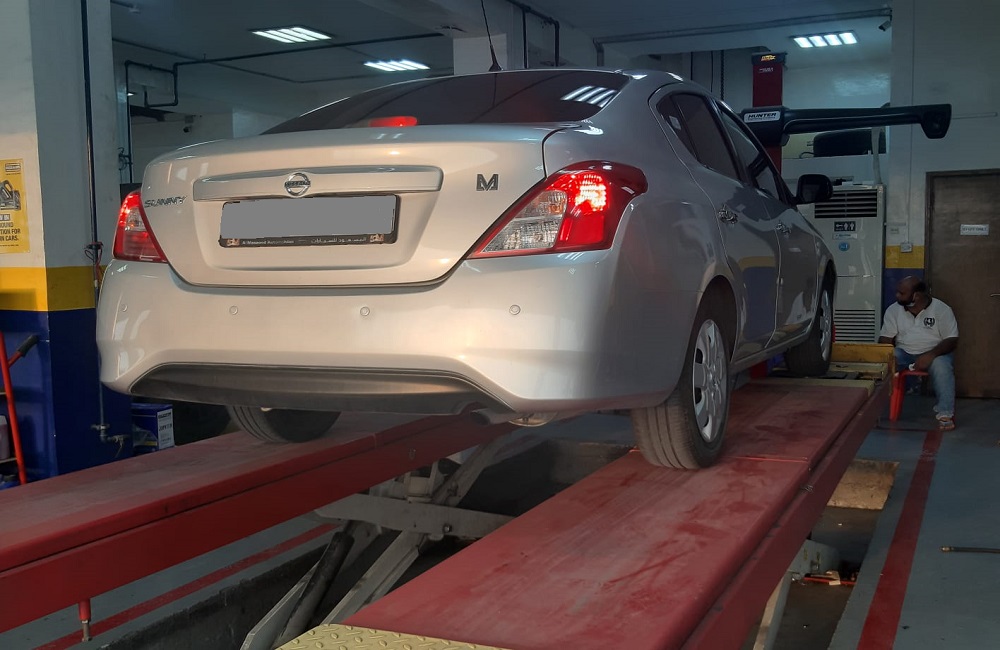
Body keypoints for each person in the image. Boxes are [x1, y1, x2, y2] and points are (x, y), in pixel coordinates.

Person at [878, 276, 959, 430]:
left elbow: (952, 340)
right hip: (904, 352)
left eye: (901, 293)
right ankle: (873, 411)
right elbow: (885, 339)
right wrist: (888, 356)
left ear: (916, 295)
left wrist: (931, 355)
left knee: (942, 367)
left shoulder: (942, 309)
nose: (897, 296)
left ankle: (945, 414)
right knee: (887, 359)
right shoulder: (894, 310)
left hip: (935, 354)